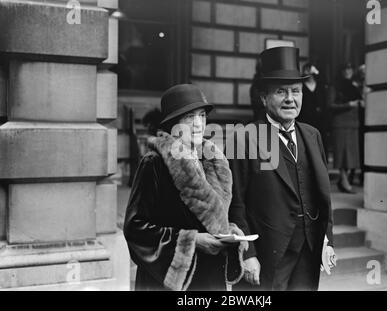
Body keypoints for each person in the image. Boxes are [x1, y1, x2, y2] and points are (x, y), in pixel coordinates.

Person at [228, 47, 336, 291]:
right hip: (266, 255)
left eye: (295, 91)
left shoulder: (312, 135)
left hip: (308, 251)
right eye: (281, 91)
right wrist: (247, 253)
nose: (290, 98)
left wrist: (326, 240)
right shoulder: (244, 138)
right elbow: (235, 204)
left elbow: (323, 196)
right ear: (264, 98)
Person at [124, 84, 247, 291]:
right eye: (190, 117)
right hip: (172, 282)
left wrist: (230, 233)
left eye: (202, 116)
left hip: (209, 278)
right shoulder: (154, 162)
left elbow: (215, 216)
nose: (199, 124)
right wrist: (192, 241)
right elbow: (135, 227)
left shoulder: (212, 162)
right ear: (173, 124)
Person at [330, 63, 362, 193]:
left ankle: (343, 181)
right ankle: (344, 181)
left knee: (350, 156)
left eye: (350, 68)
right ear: (341, 71)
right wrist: (348, 104)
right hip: (340, 124)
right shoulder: (334, 86)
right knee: (342, 155)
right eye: (346, 68)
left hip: (353, 124)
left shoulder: (353, 86)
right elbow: (330, 105)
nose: (348, 71)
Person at [296, 62, 330, 154]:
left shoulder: (320, 85)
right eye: (305, 70)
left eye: (309, 69)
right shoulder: (301, 86)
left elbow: (325, 104)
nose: (307, 72)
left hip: (320, 120)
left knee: (320, 142)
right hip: (305, 118)